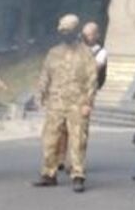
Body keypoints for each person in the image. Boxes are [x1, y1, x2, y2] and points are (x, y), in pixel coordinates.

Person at [32, 14, 98, 193]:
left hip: (77, 104)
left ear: (76, 31)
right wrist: (40, 96)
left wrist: (88, 103)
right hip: (55, 104)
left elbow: (92, 80)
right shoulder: (54, 53)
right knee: (50, 139)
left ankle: (78, 175)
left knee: (77, 141)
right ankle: (48, 173)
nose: (65, 34)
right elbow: (45, 75)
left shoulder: (86, 53)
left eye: (68, 31)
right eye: (62, 31)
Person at [57, 21, 108, 170]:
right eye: (85, 33)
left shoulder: (101, 52)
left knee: (79, 130)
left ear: (97, 35)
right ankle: (61, 158)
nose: (86, 37)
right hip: (69, 92)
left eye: (90, 34)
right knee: (63, 128)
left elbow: (94, 69)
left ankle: (76, 162)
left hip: (85, 94)